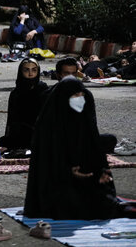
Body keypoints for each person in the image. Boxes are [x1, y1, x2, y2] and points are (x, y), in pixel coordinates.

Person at [24, 77, 134, 219]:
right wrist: (68, 171)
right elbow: (48, 163)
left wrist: (101, 171)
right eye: (75, 95)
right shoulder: (48, 127)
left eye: (81, 94)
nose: (80, 99)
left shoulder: (83, 117)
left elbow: (93, 149)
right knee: (75, 208)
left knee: (103, 205)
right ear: (64, 98)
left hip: (84, 178)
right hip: (57, 185)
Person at [0, 58, 48, 152]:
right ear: (21, 71)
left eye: (34, 70)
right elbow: (11, 120)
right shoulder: (16, 93)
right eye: (26, 70)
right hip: (20, 133)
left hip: (40, 133)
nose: (30, 73)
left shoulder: (43, 90)